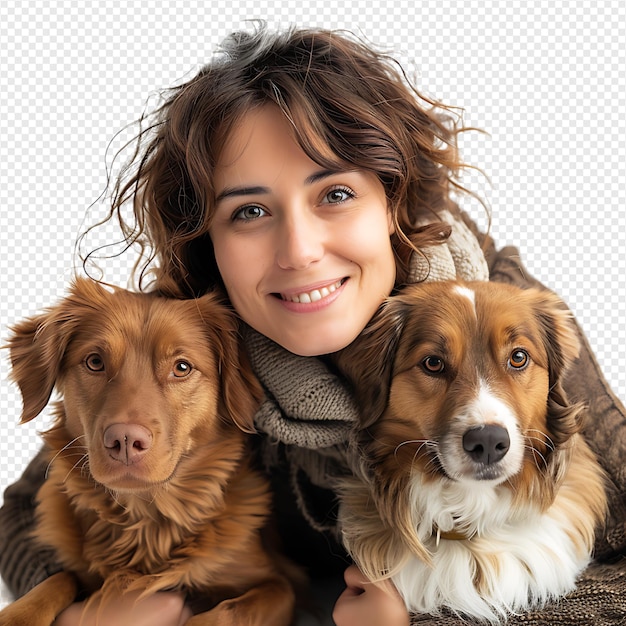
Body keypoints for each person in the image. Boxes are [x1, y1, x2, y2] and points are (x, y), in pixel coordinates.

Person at [1, 24, 625, 626]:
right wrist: (82, 618)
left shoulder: (507, 312)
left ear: (393, 198)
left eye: (333, 194)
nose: (298, 250)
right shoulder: (191, 342)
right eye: (248, 210)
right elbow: (22, 513)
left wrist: (426, 620)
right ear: (207, 243)